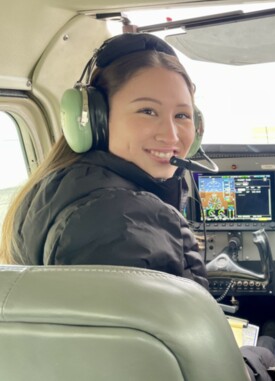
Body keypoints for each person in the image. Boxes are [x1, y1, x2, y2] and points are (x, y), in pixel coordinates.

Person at [0, 33, 207, 288]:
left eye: (182, 115)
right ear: (96, 118)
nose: (171, 135)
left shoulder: (58, 188)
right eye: (147, 111)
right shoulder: (122, 222)